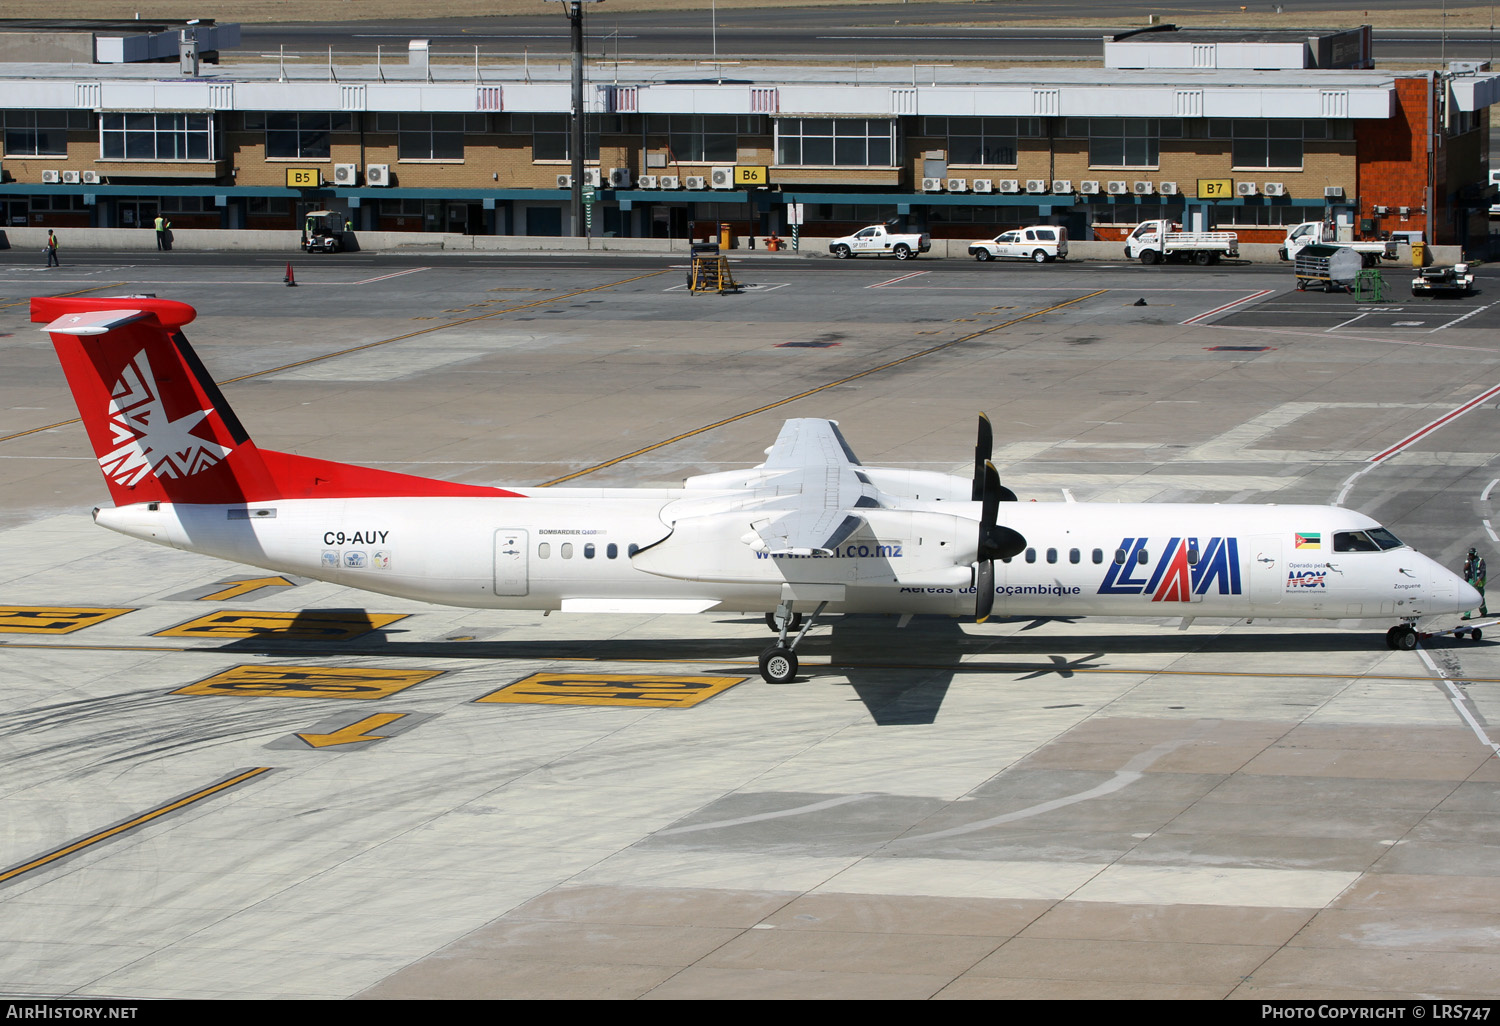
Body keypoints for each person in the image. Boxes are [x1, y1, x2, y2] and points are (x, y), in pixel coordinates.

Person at [1462, 546, 1487, 619]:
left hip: (1478, 582)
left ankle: (1483, 612)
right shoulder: (1467, 561)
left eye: (1471, 554)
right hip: (1470, 581)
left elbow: (1483, 572)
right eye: (1469, 554)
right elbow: (1465, 571)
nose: (1470, 556)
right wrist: (1467, 566)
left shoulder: (1480, 561)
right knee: (1468, 598)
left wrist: (1478, 581)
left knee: (1480, 598)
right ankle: (1467, 615)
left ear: (1475, 554)